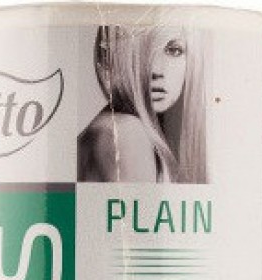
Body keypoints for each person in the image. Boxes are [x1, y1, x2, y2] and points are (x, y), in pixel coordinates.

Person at [78, 25, 207, 184]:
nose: (156, 70)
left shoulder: (124, 129)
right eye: (143, 51)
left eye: (173, 51)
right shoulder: (125, 132)